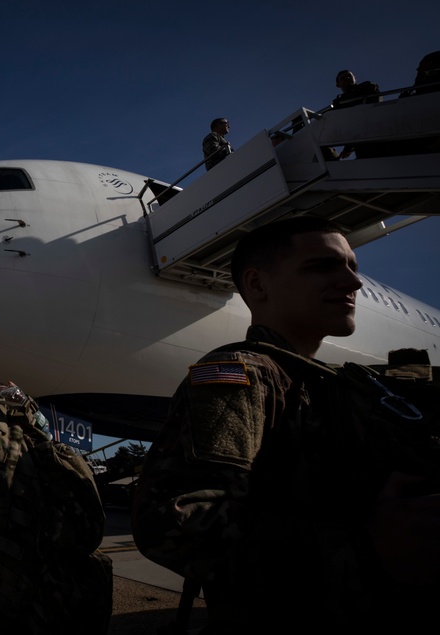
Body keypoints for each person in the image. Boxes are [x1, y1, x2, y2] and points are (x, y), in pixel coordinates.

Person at [132, 216, 440, 632]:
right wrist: (367, 547)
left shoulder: (332, 383)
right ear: (258, 285)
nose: (354, 284)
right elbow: (174, 522)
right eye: (323, 266)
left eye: (351, 266)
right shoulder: (238, 374)